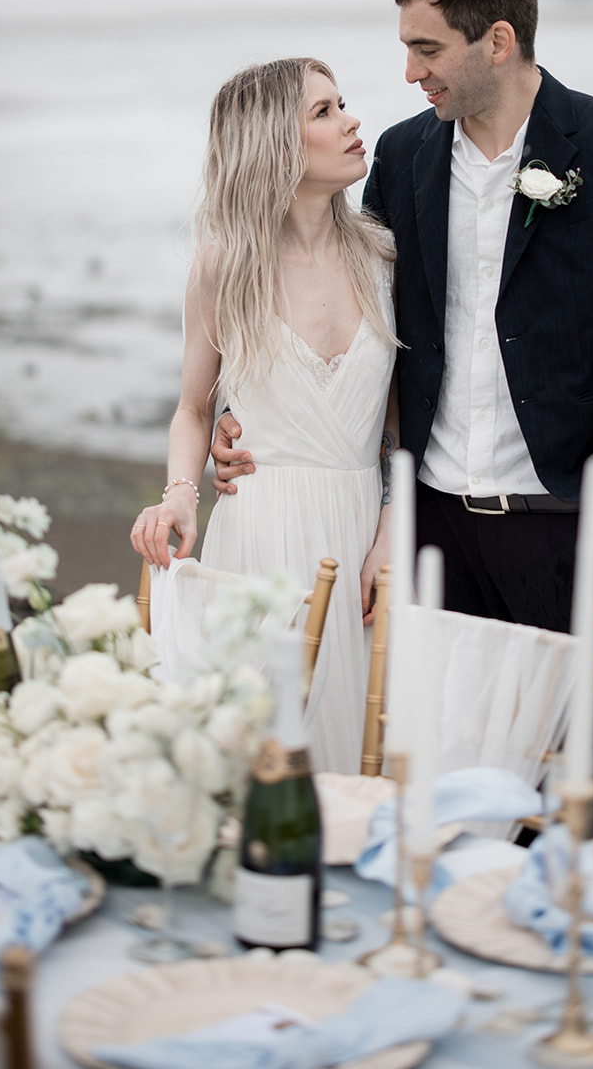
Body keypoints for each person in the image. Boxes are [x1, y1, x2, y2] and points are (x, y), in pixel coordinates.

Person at [214, 0, 593, 857]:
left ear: (498, 41)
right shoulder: (401, 159)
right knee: (449, 797)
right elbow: (349, 320)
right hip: (430, 530)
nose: (407, 73)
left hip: (565, 524)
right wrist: (243, 411)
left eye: (426, 49)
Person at [130, 58, 397, 774]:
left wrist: (389, 531)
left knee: (353, 758)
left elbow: (403, 428)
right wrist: (180, 496)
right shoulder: (224, 267)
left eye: (342, 104)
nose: (350, 121)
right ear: (273, 143)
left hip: (359, 540)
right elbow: (193, 409)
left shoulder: (383, 257)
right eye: (323, 111)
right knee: (249, 761)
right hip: (257, 540)